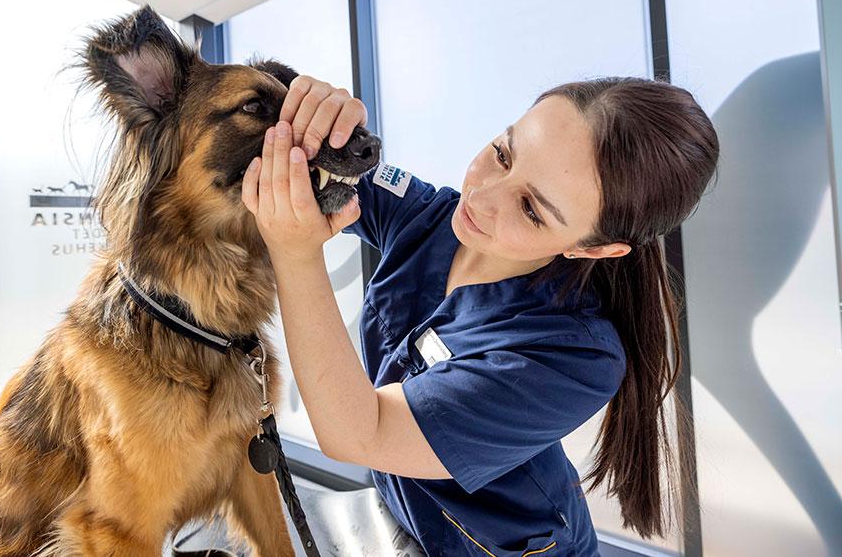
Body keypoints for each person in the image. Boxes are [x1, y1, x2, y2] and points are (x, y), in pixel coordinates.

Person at [240, 75, 719, 556]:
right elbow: (272, 135)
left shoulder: (574, 355)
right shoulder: (428, 216)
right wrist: (309, 113)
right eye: (503, 154)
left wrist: (296, 255)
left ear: (592, 248)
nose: (482, 197)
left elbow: (360, 433)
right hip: (404, 521)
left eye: (532, 209)